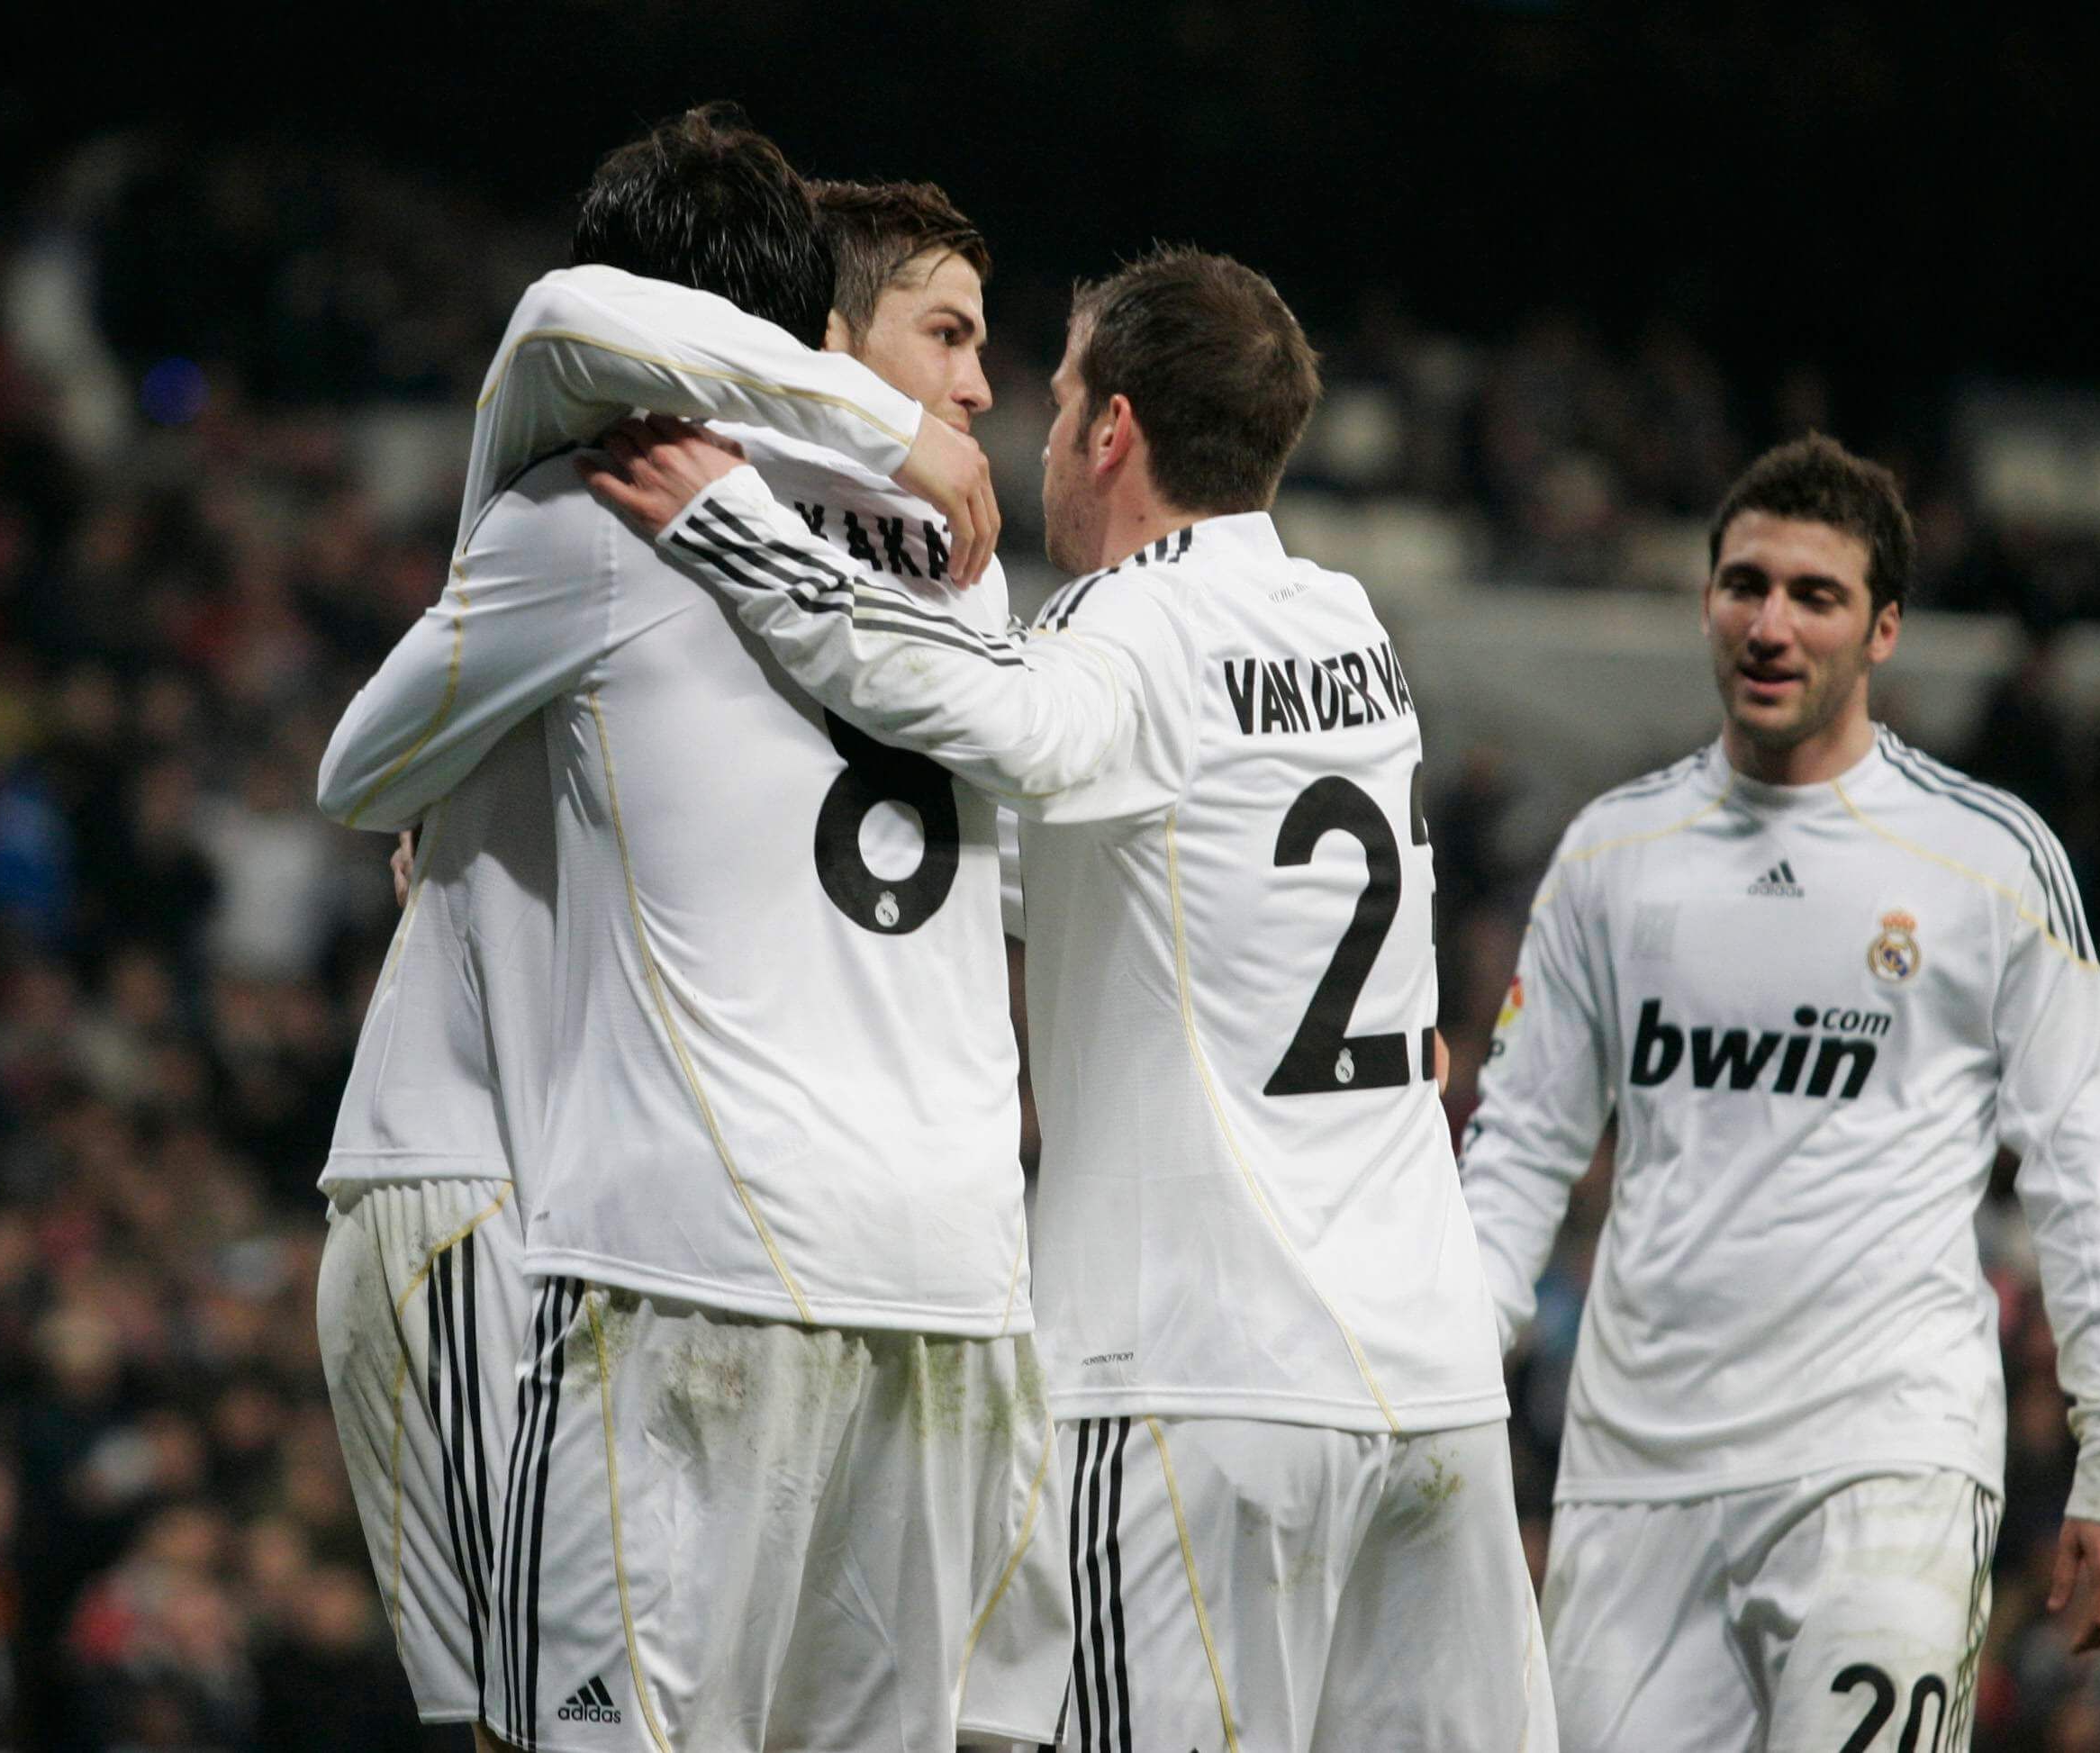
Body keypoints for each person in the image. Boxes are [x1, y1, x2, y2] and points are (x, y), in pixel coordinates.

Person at [581, 244, 1552, 1753]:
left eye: (1048, 399)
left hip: (1204, 1377)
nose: (1023, 432)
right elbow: (1115, 871)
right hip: (1432, 1396)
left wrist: (735, 537)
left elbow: (995, 717)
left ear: (1113, 430)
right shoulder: (1346, 625)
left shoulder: (1134, 630)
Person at [316, 109, 1064, 1752]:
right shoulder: (964, 576)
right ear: (821, 335)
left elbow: (354, 770)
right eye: (946, 338)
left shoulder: (590, 515)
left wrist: (459, 778)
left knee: (521, 1724)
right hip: (936, 1261)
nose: (976, 393)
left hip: (621, 1221)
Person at [1454, 434, 2100, 1751]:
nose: (1769, 623)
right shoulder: (1613, 855)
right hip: (1635, 1479)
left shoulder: (1986, 860)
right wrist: (1433, 1375)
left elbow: (2086, 1166)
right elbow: (1515, 1154)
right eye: (1744, 585)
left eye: (1814, 595)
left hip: (1881, 1464)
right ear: (1707, 598)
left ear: (1883, 627)